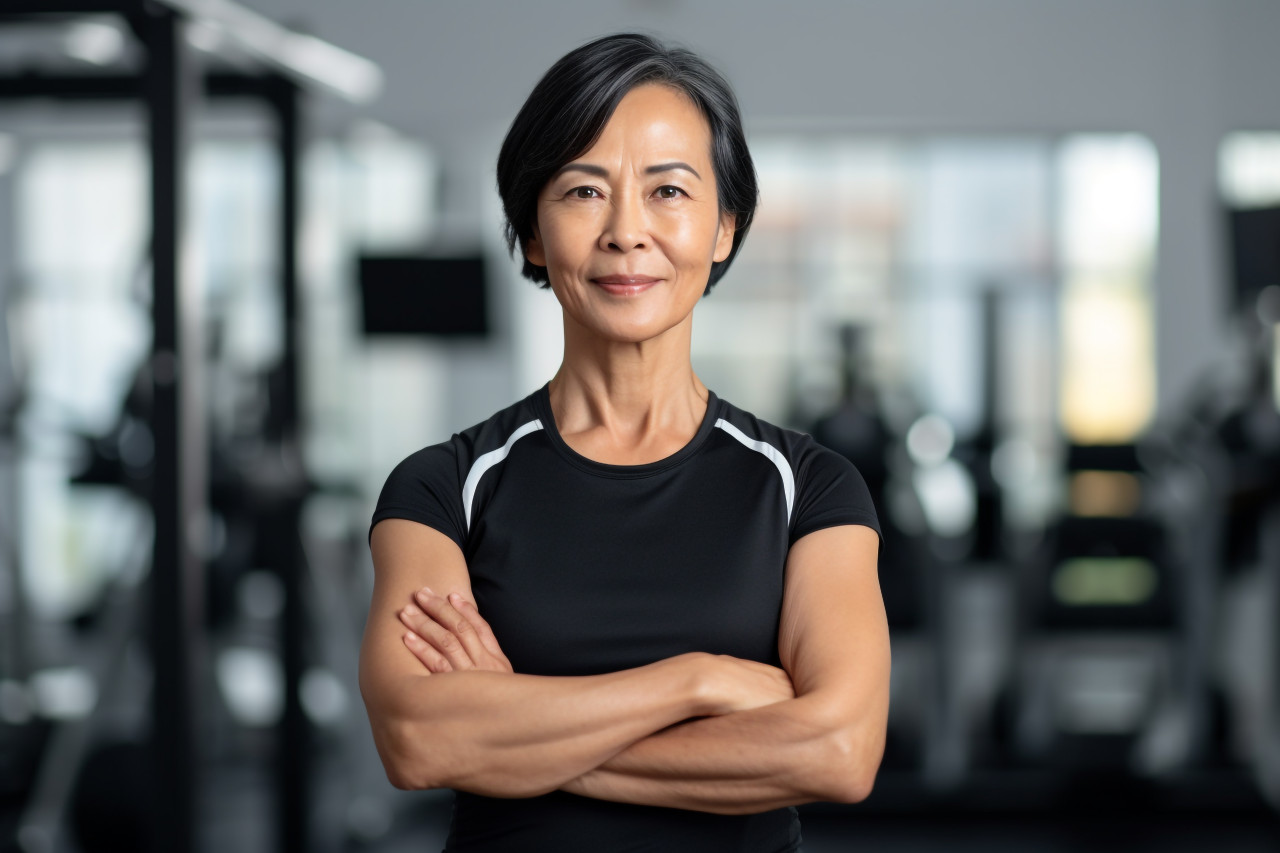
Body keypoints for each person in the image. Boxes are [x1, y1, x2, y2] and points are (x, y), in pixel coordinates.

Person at [359, 33, 889, 852]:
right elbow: (419, 739)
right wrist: (700, 680)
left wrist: (516, 732)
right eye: (583, 191)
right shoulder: (442, 487)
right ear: (534, 232)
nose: (626, 231)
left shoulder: (808, 487)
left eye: (668, 190)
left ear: (724, 227)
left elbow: (840, 751)